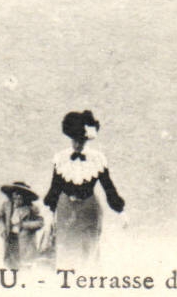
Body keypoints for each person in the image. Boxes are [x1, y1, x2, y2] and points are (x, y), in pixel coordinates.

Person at [44, 110, 124, 267]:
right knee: (66, 251)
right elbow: (55, 189)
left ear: (87, 139)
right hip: (66, 210)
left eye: (81, 141)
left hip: (89, 210)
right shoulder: (61, 159)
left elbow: (108, 187)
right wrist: (49, 215)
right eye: (74, 140)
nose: (77, 144)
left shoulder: (97, 159)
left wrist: (121, 211)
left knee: (88, 252)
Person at [0, 181, 46, 270]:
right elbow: (0, 218)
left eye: (20, 195)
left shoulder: (31, 209)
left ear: (25, 197)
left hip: (25, 243)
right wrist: (3, 230)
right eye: (15, 194)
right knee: (10, 264)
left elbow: (40, 223)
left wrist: (24, 225)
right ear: (12, 195)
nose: (17, 197)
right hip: (10, 240)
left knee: (24, 266)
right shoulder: (7, 206)